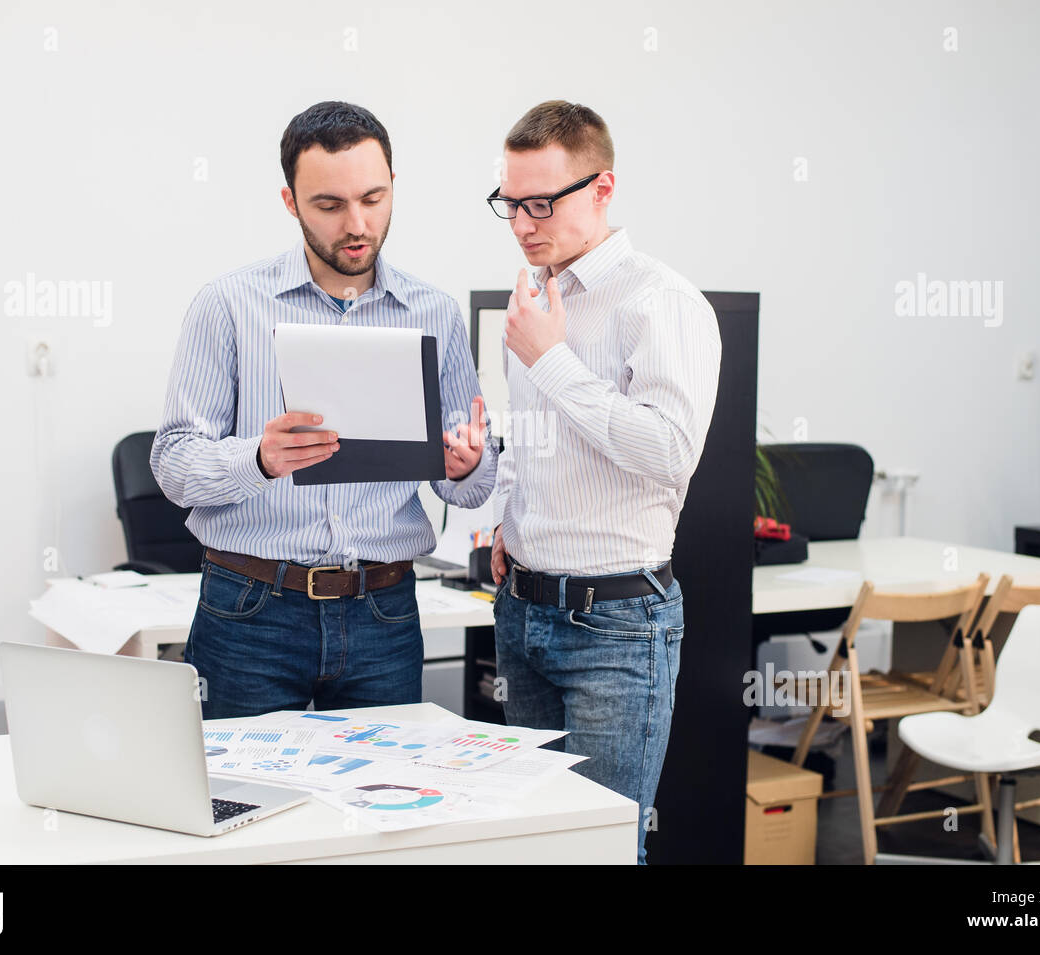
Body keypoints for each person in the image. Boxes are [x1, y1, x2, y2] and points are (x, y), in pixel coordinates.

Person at [152, 101, 496, 719]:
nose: (357, 223)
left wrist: (466, 465)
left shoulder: (435, 313)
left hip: (383, 611)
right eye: (330, 206)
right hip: (251, 609)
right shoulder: (228, 306)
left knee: (379, 806)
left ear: (394, 186)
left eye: (373, 197)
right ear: (291, 202)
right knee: (244, 803)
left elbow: (472, 492)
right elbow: (174, 466)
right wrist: (257, 458)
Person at [485, 100, 721, 864]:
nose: (524, 223)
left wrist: (551, 360)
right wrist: (501, 517)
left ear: (604, 187)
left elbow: (668, 451)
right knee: (536, 846)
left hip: (615, 627)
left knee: (602, 850)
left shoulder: (663, 302)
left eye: (542, 203)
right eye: (510, 203)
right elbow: (532, 434)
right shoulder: (533, 297)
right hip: (522, 612)